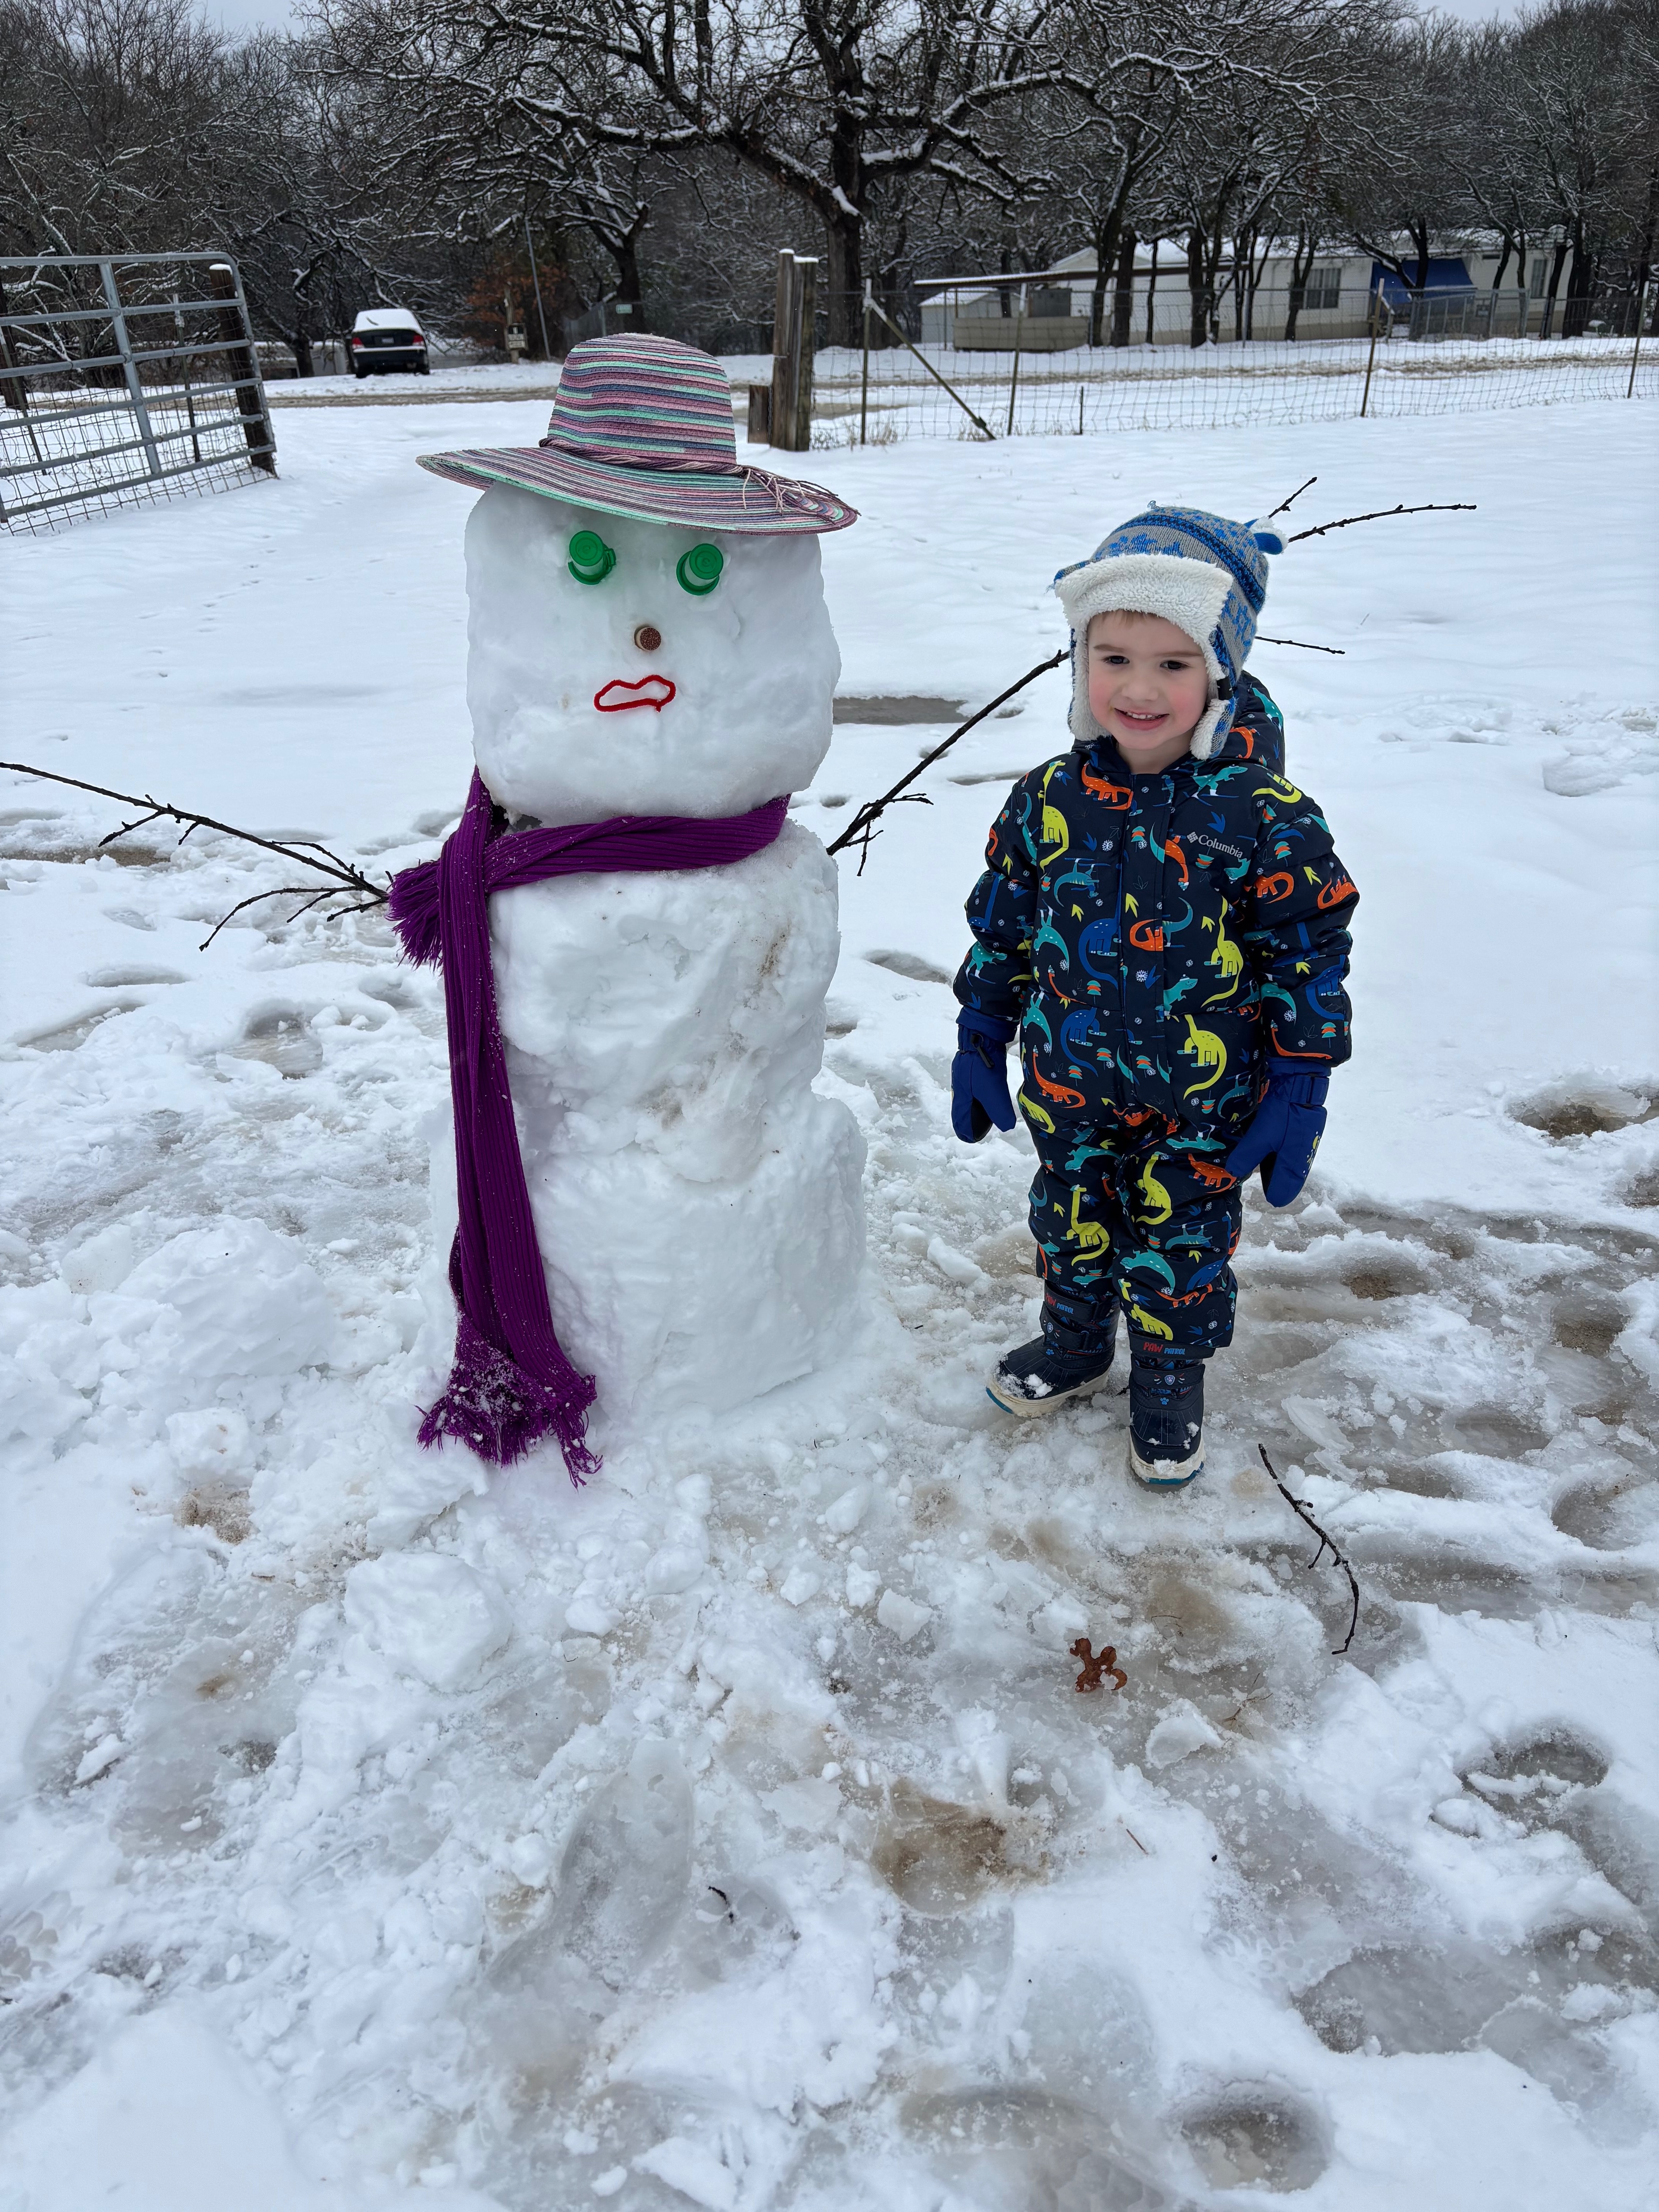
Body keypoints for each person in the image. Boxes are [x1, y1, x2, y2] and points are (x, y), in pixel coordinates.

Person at [950, 505, 1358, 1488]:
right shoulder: (1047, 798)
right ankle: (1078, 1340)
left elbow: (1307, 948)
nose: (1138, 688)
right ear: (1079, 660)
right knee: (1071, 1218)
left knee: (1180, 1240)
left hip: (1202, 1099)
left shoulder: (1259, 811)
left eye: (1173, 664)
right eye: (1113, 656)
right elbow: (1003, 923)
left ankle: (1170, 1375)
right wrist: (979, 1027)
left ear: (1219, 671)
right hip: (1069, 1078)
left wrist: (1300, 1078)